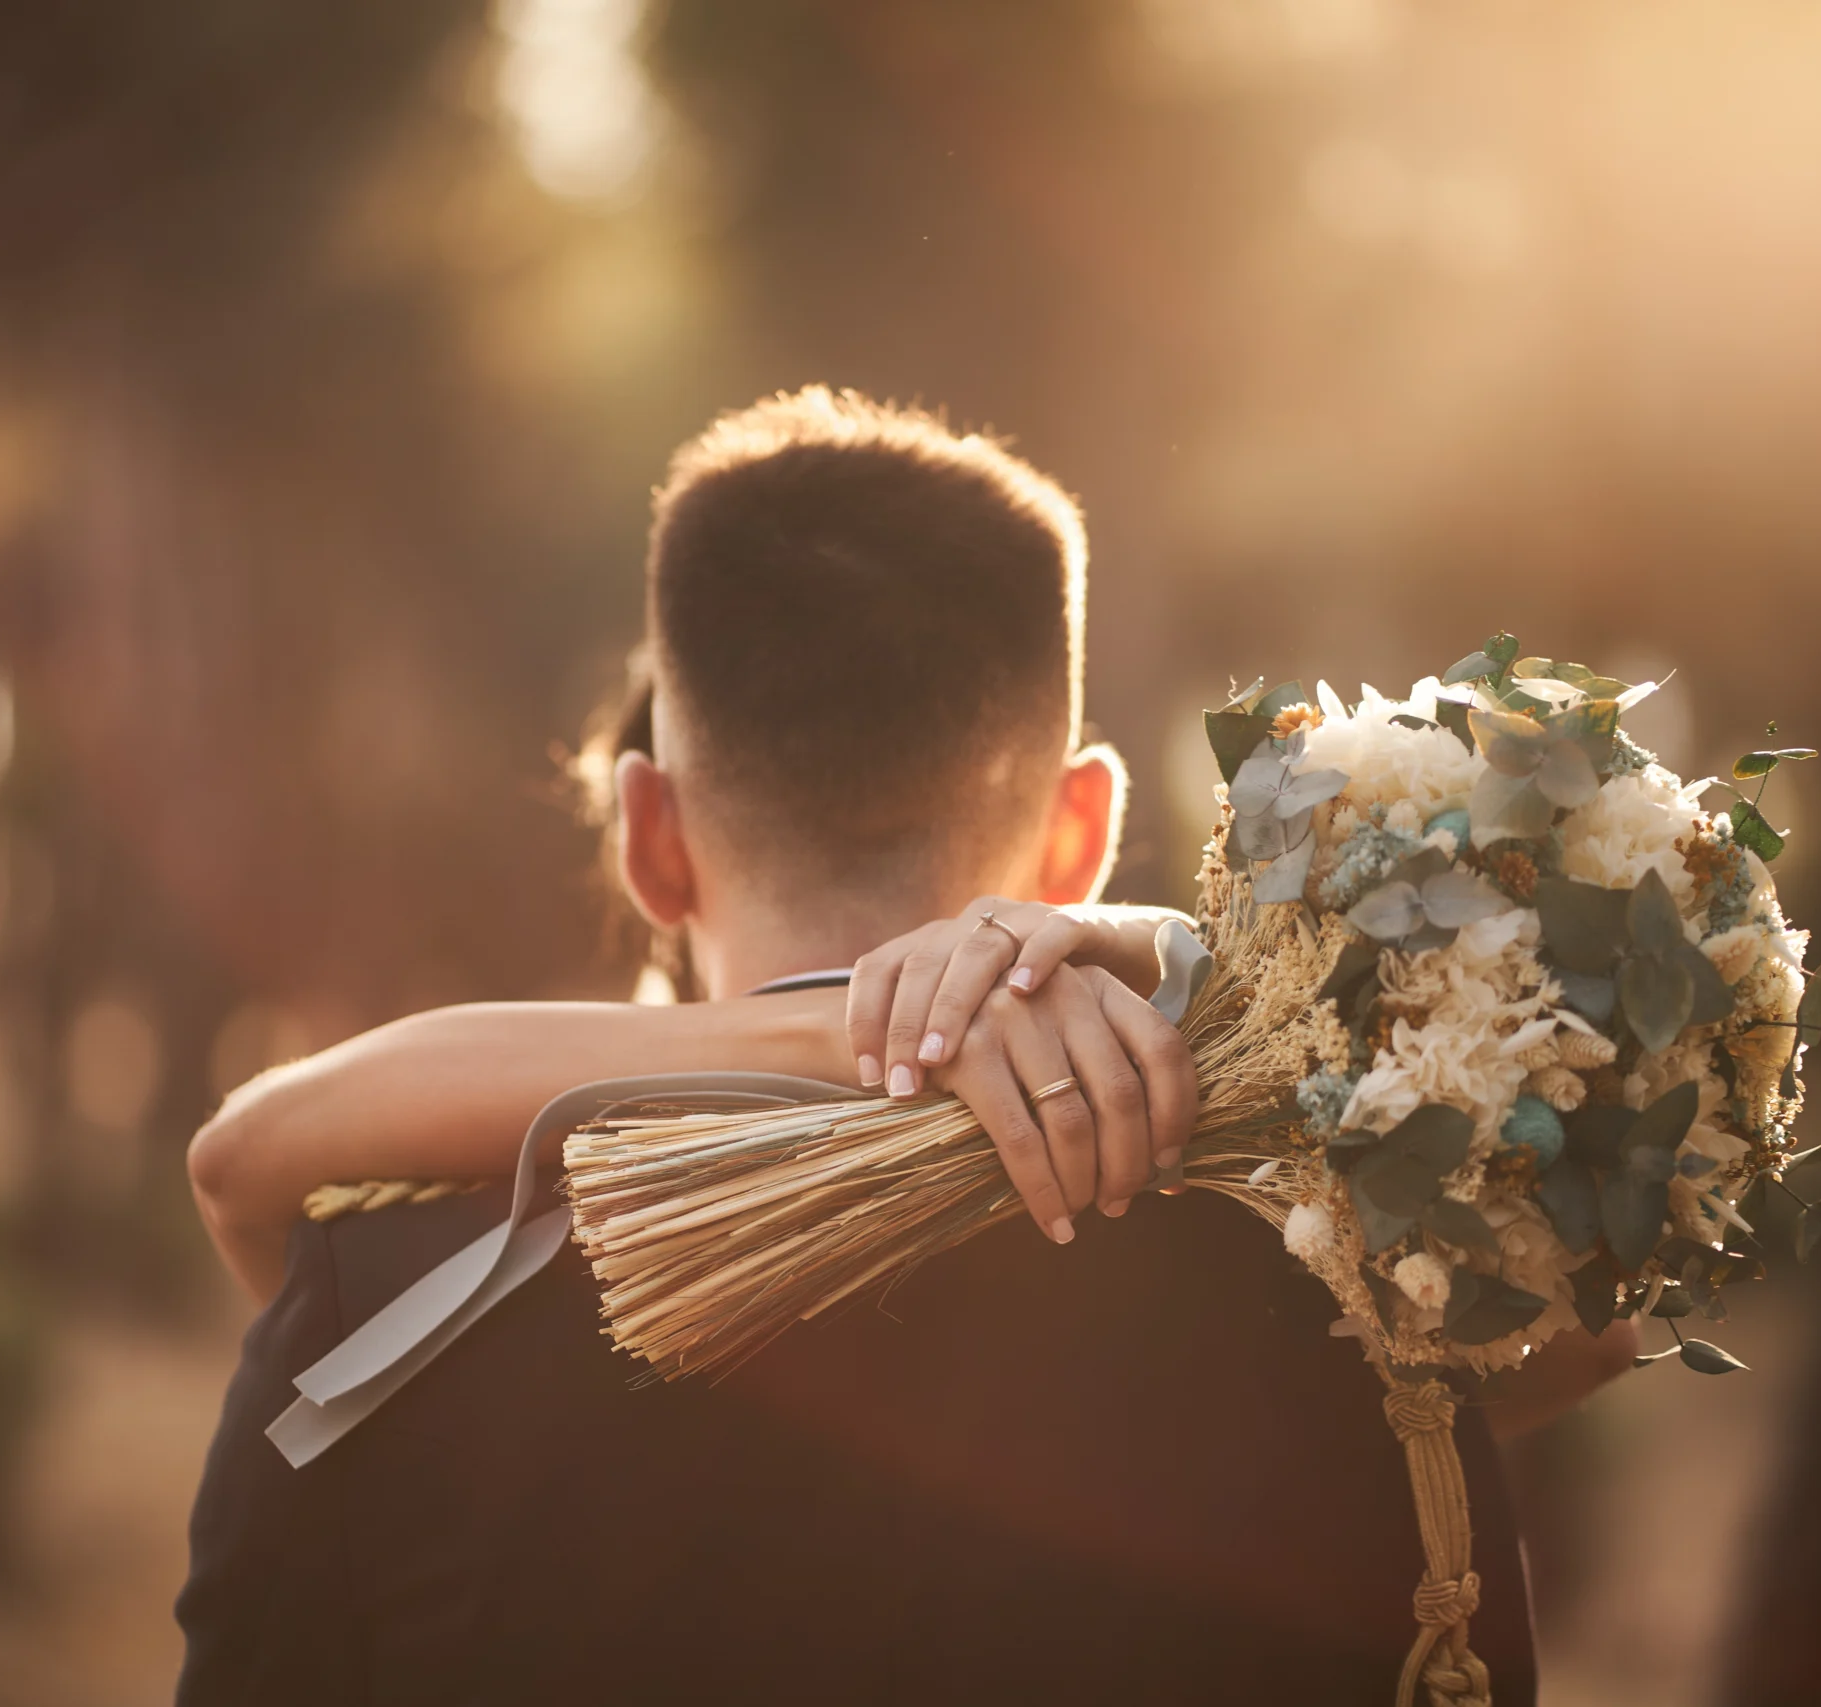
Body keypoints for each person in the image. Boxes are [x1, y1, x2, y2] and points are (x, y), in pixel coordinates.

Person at [176, 389, 1621, 1705]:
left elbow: (242, 1167)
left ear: (650, 840)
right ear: (1082, 831)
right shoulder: (1367, 1334)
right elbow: (1614, 1282)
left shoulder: (378, 1320)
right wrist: (1175, 965)